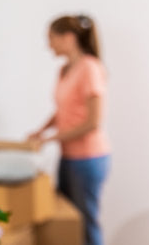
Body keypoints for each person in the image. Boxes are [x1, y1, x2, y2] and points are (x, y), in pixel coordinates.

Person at [27, 15, 111, 245]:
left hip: (89, 158)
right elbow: (63, 110)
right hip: (69, 157)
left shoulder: (90, 68)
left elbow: (93, 122)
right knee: (68, 221)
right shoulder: (64, 70)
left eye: (52, 38)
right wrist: (41, 131)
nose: (49, 45)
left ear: (69, 38)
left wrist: (51, 138)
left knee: (85, 223)